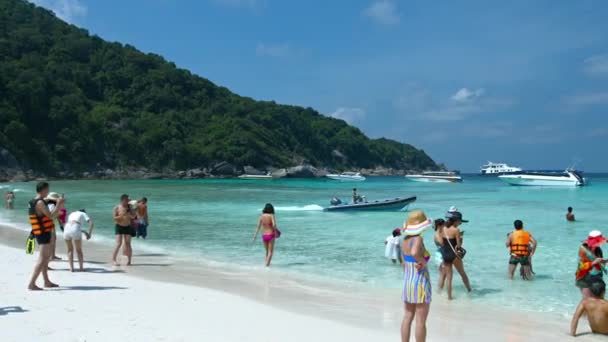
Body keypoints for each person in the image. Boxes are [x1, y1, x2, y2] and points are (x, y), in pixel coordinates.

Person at [400, 210, 433, 342]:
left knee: (407, 317)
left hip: (408, 281)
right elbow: (415, 253)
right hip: (420, 281)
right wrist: (422, 262)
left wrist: (416, 261)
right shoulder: (418, 239)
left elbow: (404, 262)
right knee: (420, 321)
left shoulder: (404, 240)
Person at [27, 182, 64, 290]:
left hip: (40, 231)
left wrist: (58, 207)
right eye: (47, 189)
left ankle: (46, 281)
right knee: (42, 259)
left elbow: (47, 216)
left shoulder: (32, 201)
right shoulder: (40, 203)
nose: (48, 192)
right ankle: (32, 283)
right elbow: (51, 216)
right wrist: (59, 204)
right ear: (43, 189)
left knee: (45, 257)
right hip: (43, 232)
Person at [439, 211, 471, 299]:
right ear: (456, 220)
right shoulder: (456, 230)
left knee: (449, 278)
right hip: (454, 255)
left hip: (445, 254)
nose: (460, 223)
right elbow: (459, 245)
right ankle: (469, 290)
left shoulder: (442, 228)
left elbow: (442, 243)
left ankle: (449, 297)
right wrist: (461, 237)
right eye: (460, 221)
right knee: (462, 273)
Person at [576, 230, 607, 298]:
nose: (600, 243)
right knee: (588, 300)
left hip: (597, 276)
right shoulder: (583, 249)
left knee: (600, 299)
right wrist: (593, 263)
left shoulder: (598, 249)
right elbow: (580, 267)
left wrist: (604, 261)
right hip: (584, 277)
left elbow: (600, 263)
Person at [112, 194, 136, 266]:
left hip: (128, 226)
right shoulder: (117, 207)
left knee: (128, 243)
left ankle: (129, 261)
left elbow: (134, 216)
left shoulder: (130, 208)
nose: (127, 202)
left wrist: (129, 214)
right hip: (119, 226)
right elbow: (114, 218)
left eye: (128, 200)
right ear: (122, 200)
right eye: (126, 200)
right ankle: (114, 260)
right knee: (118, 243)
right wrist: (121, 216)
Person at [45, 192, 63, 263]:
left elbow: (57, 216)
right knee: (51, 241)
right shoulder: (51, 205)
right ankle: (50, 257)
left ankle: (52, 255)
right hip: (49, 225)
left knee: (53, 239)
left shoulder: (52, 205)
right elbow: (52, 215)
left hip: (51, 224)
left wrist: (61, 225)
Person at [433, 219, 446, 291]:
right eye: (443, 225)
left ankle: (440, 291)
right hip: (440, 256)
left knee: (443, 275)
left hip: (440, 254)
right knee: (442, 275)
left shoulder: (441, 233)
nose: (445, 226)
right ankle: (439, 291)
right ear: (439, 226)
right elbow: (443, 244)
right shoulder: (437, 234)